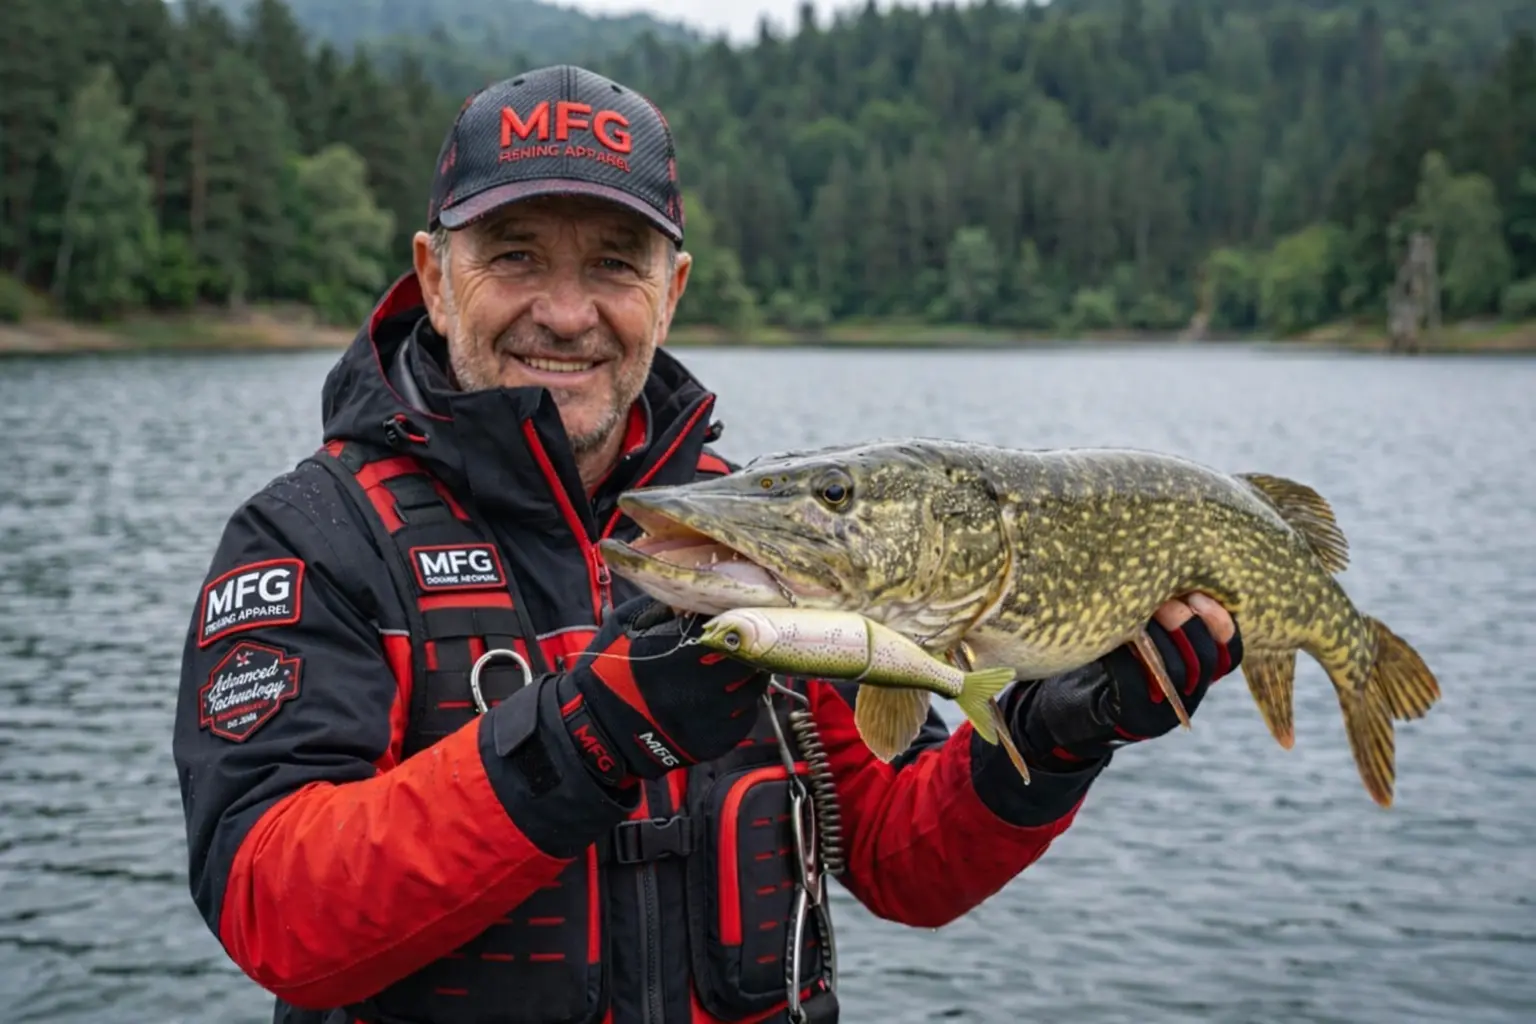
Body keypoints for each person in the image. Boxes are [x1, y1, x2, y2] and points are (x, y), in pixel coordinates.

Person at [171, 64, 1243, 1024]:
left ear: (671, 291)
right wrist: (592, 732)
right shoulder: (314, 539)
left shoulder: (774, 537)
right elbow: (274, 905)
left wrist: (1050, 745)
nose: (565, 310)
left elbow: (895, 851)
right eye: (513, 256)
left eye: (613, 264)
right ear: (435, 276)